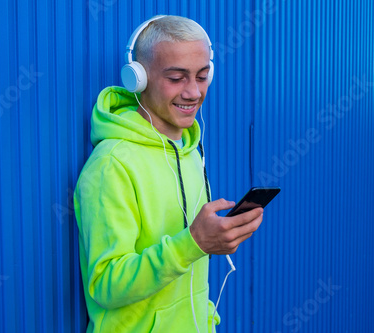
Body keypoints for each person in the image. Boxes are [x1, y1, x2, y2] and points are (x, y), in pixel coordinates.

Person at [74, 15, 264, 332]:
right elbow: (105, 285)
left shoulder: (187, 151)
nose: (193, 92)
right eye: (176, 78)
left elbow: (189, 274)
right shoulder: (111, 165)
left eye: (202, 76)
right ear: (138, 78)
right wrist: (193, 242)